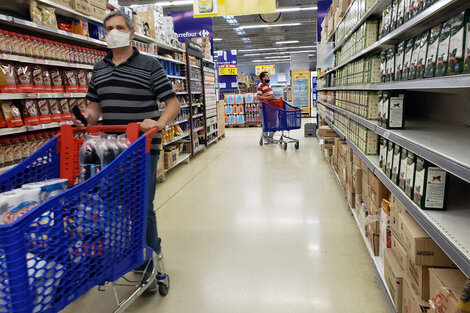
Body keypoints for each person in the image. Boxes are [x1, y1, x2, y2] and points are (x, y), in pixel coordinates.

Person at [73, 10, 180, 294]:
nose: (113, 32)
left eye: (120, 27)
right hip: (110, 149)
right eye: (109, 28)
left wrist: (158, 122)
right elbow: (94, 107)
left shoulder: (149, 64)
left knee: (141, 207)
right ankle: (125, 255)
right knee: (108, 207)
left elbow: (172, 104)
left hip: (142, 146)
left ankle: (153, 262)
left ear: (131, 33)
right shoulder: (99, 68)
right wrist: (86, 118)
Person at [256, 72, 275, 142]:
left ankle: (270, 137)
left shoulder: (268, 85)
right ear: (263, 78)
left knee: (274, 123)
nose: (268, 77)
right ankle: (266, 139)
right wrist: (269, 97)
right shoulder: (260, 86)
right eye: (267, 76)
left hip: (270, 108)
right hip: (264, 108)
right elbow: (258, 97)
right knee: (265, 124)